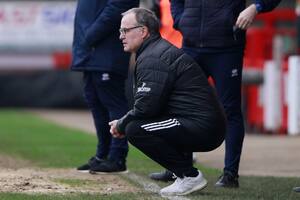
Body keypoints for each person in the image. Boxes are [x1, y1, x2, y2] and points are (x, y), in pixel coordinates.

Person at [147, 0, 282, 187]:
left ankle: (230, 175)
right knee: (182, 106)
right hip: (192, 46)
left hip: (226, 48)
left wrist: (255, 7)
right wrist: (181, 20)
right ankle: (180, 169)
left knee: (230, 111)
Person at [109, 8, 226, 196]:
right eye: (121, 31)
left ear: (143, 31)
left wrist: (122, 124)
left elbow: (146, 106)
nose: (121, 36)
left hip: (203, 126)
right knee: (142, 123)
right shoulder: (153, 51)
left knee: (135, 129)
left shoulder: (153, 56)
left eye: (126, 30)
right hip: (199, 122)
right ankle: (181, 173)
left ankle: (188, 175)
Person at [70, 0, 139, 173]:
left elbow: (116, 9)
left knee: (113, 104)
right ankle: (103, 155)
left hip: (106, 52)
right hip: (90, 54)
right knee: (96, 103)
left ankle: (117, 157)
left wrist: (89, 36)